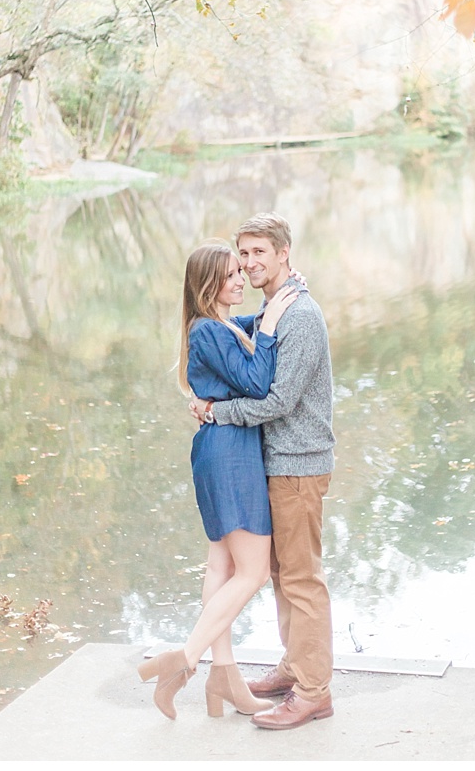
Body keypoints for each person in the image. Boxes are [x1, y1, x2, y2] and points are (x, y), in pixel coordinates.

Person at [138, 239, 299, 720]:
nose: (240, 279)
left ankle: (223, 677)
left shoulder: (217, 326)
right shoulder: (209, 331)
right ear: (210, 284)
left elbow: (240, 333)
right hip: (231, 457)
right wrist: (269, 328)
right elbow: (256, 381)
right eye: (230, 274)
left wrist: (271, 309)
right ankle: (184, 660)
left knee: (221, 568)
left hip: (219, 452)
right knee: (251, 572)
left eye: (240, 270)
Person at [199, 212, 337, 731]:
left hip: (298, 467)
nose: (250, 263)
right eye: (244, 254)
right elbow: (250, 336)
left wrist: (217, 412)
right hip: (275, 466)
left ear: (284, 253)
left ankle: (314, 692)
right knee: (283, 577)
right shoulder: (274, 309)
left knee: (301, 580)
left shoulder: (300, 316)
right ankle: (295, 667)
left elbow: (278, 400)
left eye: (260, 252)